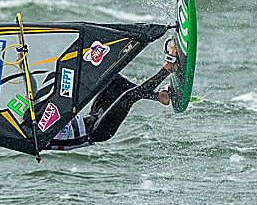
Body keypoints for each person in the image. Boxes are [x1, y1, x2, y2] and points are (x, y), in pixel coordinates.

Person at [45, 40, 179, 151]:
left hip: (92, 116)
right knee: (129, 96)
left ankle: (160, 97)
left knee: (114, 81)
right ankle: (168, 68)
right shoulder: (34, 136)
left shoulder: (32, 117)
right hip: (97, 131)